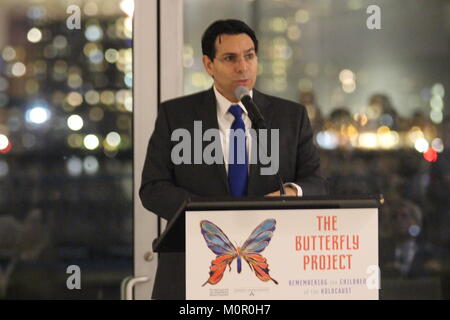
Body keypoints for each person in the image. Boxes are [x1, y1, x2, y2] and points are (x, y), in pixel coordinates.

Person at [140, 19, 327, 299]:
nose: (242, 67)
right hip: (191, 265)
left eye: (249, 56)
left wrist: (290, 192)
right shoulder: (176, 115)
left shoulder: (291, 116)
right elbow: (153, 188)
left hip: (274, 266)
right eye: (230, 58)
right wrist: (209, 215)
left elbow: (316, 183)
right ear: (208, 65)